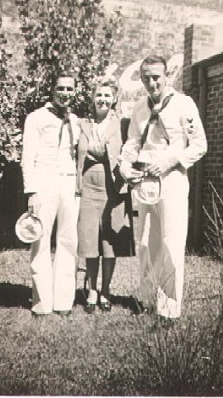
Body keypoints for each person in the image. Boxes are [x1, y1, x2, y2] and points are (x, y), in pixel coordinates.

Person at [119, 55, 207, 319]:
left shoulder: (183, 104)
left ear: (167, 76)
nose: (151, 82)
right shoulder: (139, 108)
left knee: (171, 241)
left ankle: (169, 308)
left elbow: (199, 145)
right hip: (145, 181)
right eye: (146, 77)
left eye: (156, 76)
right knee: (145, 242)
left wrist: (169, 162)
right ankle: (147, 301)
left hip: (172, 180)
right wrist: (125, 168)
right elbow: (132, 144)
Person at [21, 73, 80, 317]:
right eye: (60, 88)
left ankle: (64, 302)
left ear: (74, 92)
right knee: (41, 240)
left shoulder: (75, 120)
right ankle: (41, 303)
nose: (65, 93)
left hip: (68, 183)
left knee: (68, 241)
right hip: (44, 182)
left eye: (69, 89)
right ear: (52, 90)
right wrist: (32, 191)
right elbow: (27, 158)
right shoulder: (36, 118)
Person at [76, 75, 134, 314]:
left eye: (107, 95)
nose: (102, 99)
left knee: (109, 243)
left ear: (114, 98)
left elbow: (129, 150)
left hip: (113, 190)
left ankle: (106, 291)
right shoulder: (82, 124)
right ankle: (91, 291)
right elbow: (75, 152)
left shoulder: (122, 124)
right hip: (88, 189)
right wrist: (90, 152)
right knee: (90, 242)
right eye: (99, 94)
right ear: (93, 97)